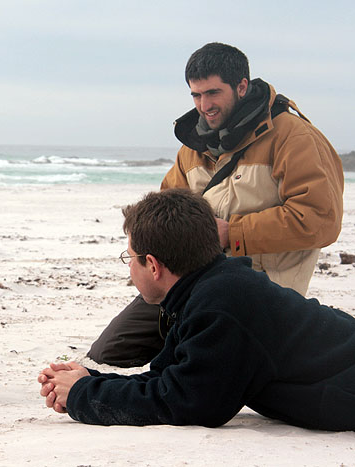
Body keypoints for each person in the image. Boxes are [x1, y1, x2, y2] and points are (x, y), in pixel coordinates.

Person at [87, 42, 344, 368]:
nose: (204, 105)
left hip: (260, 289)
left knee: (210, 365)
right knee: (111, 351)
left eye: (212, 93)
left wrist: (231, 234)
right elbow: (166, 207)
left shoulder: (293, 137)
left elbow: (320, 219)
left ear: (241, 86)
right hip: (189, 282)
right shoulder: (193, 146)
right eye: (195, 95)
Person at [38, 189, 355, 431]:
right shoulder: (209, 288)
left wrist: (82, 395)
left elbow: (188, 403)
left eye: (129, 257)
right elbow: (169, 378)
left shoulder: (220, 305)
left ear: (152, 265)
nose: (129, 267)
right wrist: (88, 380)